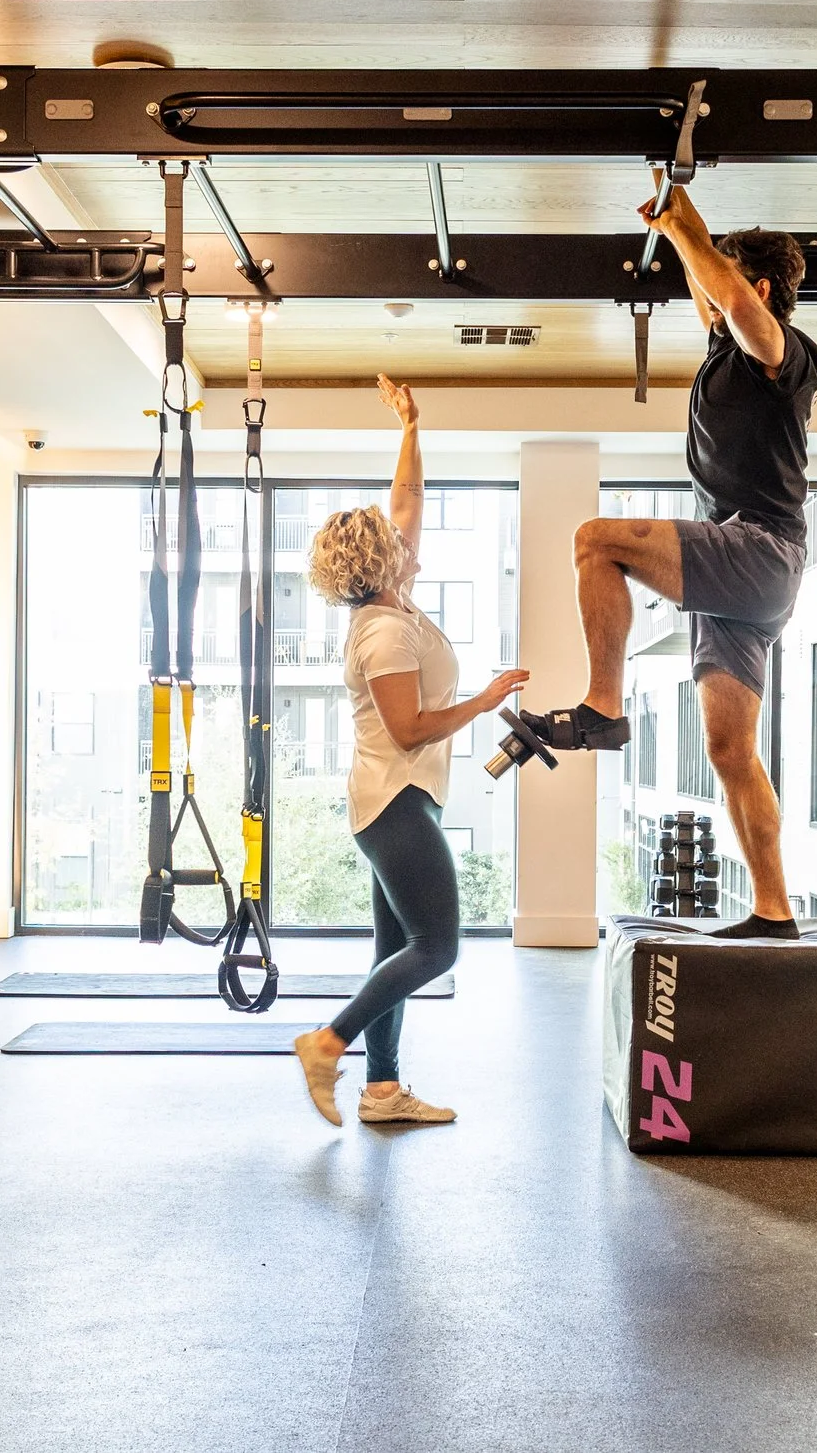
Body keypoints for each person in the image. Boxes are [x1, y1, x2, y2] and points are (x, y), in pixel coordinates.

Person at [526, 183, 817, 940]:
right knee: (730, 748)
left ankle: (603, 707)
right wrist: (679, 216)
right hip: (748, 580)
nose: (707, 296)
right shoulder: (726, 345)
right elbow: (707, 280)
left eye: (727, 284)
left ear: (756, 291)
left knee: (596, 540)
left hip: (759, 549)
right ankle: (774, 910)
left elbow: (723, 289)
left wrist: (695, 238)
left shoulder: (778, 354)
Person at [289, 374, 529, 1126]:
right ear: (380, 562)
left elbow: (408, 500)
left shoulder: (395, 603)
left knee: (395, 947)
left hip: (389, 802)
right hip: (392, 805)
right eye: (396, 543)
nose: (409, 542)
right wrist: (485, 701)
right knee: (438, 946)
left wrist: (411, 426)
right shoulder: (385, 631)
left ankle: (383, 1090)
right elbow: (410, 729)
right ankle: (328, 1041)